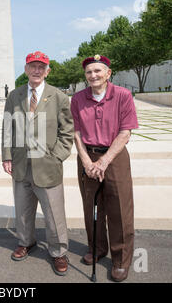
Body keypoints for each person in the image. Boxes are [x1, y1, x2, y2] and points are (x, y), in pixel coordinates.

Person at [1, 51, 74, 276]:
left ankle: (59, 252)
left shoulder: (58, 96)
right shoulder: (15, 95)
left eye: (41, 67)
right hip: (22, 163)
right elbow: (7, 128)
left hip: (47, 164)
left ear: (47, 71)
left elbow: (67, 130)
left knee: (53, 213)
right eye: (32, 66)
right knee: (23, 210)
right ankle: (26, 241)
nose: (36, 70)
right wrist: (7, 155)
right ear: (25, 69)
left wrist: (57, 156)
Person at [70, 55, 139, 282]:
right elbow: (76, 133)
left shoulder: (122, 95)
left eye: (98, 71)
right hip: (87, 156)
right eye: (89, 72)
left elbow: (125, 132)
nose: (93, 75)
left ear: (108, 73)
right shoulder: (78, 99)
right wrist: (87, 162)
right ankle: (97, 248)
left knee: (120, 210)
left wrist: (104, 161)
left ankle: (120, 259)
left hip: (114, 156)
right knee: (91, 207)